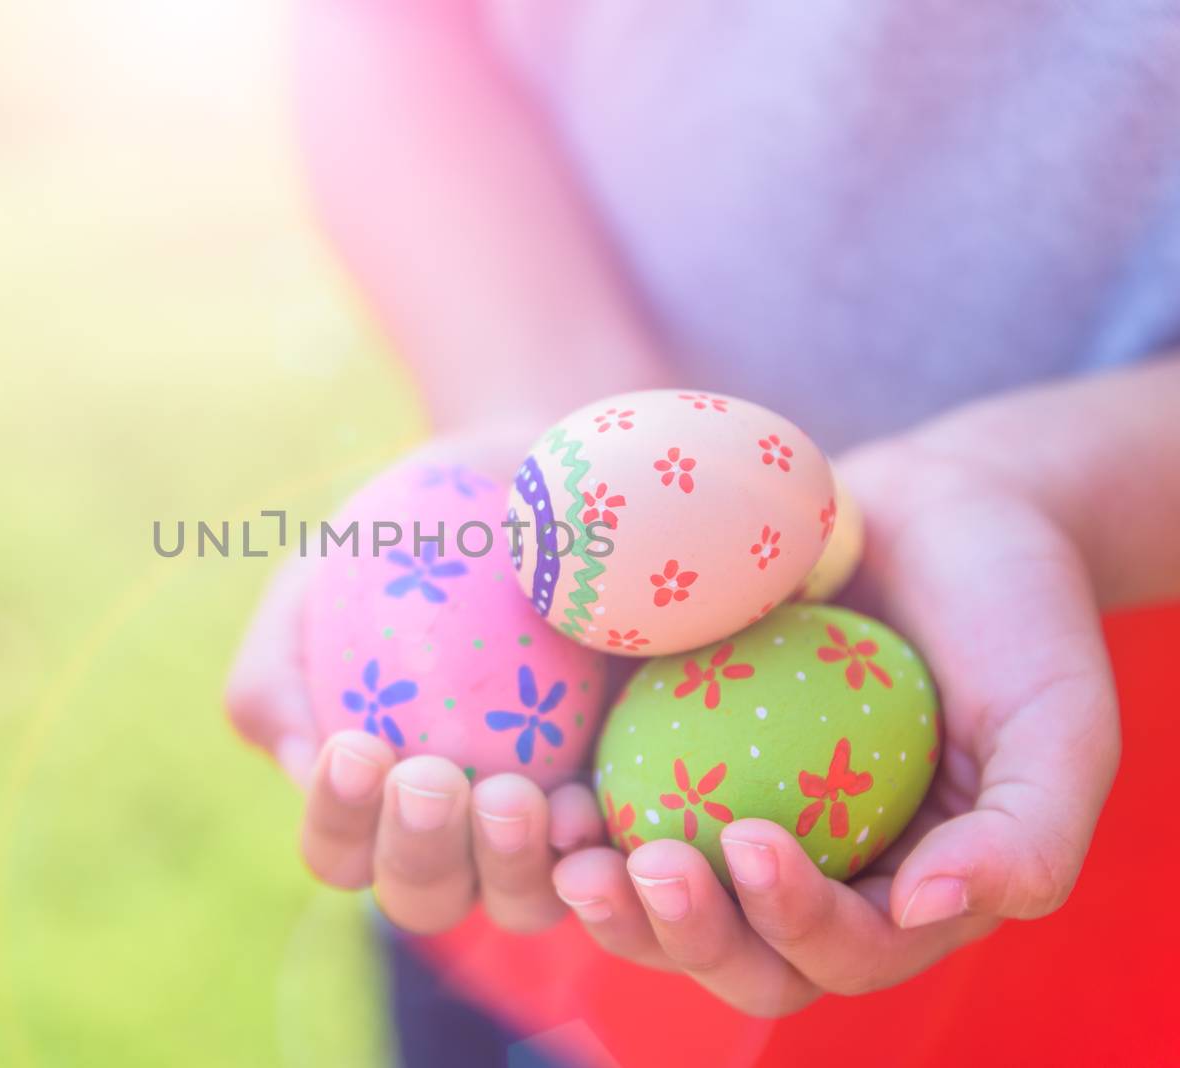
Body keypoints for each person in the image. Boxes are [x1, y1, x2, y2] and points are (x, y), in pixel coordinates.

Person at [227, 1, 1180, 1062]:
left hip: (1092, 820)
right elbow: (392, 30)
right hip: (521, 914)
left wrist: (1054, 492)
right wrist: (551, 412)